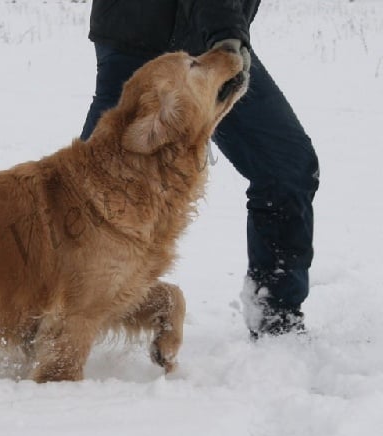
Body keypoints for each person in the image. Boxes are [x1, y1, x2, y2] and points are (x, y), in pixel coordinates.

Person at [80, 0, 319, 337]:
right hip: (141, 37)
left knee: (287, 166)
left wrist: (227, 33)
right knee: (86, 194)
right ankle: (37, 315)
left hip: (208, 38)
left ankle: (276, 319)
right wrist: (227, 34)